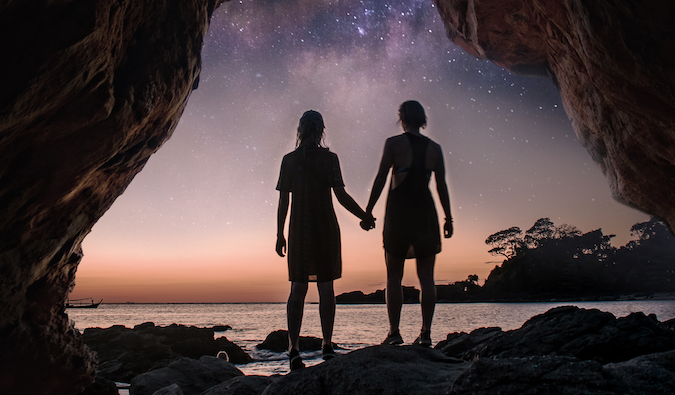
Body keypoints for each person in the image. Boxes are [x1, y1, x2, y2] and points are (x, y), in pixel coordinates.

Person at [276, 110, 373, 371]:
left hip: (299, 229)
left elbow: (284, 201)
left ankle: (293, 349)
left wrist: (279, 234)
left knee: (297, 289)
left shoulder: (289, 160)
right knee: (326, 288)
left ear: (300, 130)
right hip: (325, 228)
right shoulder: (329, 159)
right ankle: (327, 345)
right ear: (320, 131)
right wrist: (364, 215)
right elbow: (341, 196)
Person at [362, 100, 453, 347]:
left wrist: (368, 211)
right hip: (425, 212)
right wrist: (448, 218)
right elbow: (441, 186)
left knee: (393, 275)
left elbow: (381, 177)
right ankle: (426, 333)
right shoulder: (435, 149)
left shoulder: (394, 144)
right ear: (422, 119)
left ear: (401, 118)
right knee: (427, 277)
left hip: (399, 213)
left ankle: (394, 333)